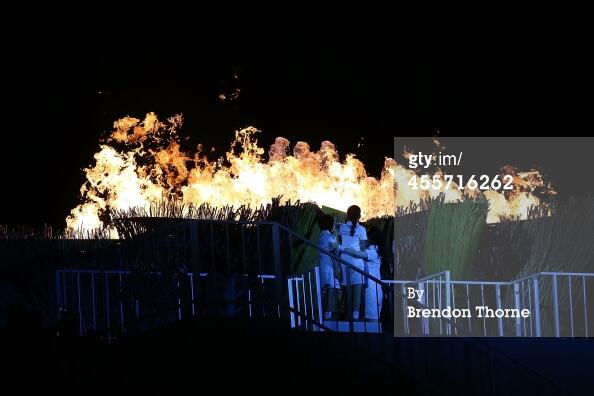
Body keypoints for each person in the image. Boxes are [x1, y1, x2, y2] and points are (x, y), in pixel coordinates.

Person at [332, 227, 383, 321]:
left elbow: (356, 254)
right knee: (365, 322)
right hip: (368, 290)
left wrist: (339, 247)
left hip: (372, 292)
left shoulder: (372, 252)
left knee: (372, 322)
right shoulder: (373, 251)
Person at [336, 205, 367, 320]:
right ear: (359, 216)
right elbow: (362, 248)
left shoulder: (342, 228)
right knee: (357, 291)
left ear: (347, 215)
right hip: (358, 263)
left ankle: (347, 314)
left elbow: (339, 242)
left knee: (347, 290)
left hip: (344, 262)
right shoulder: (362, 230)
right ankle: (355, 315)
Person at [317, 214, 340, 320]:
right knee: (330, 291)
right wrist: (337, 270)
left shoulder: (321, 237)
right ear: (331, 225)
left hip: (323, 267)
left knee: (324, 292)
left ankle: (325, 316)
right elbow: (333, 254)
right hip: (330, 268)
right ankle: (329, 318)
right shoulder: (330, 238)